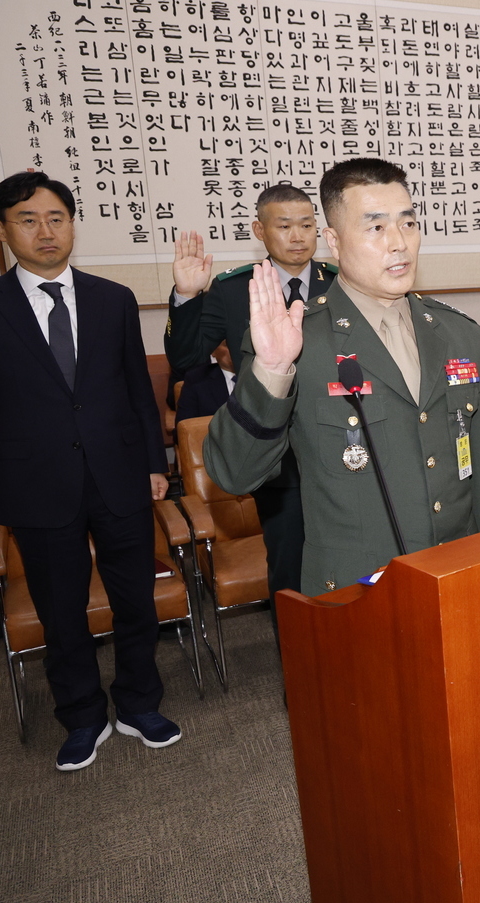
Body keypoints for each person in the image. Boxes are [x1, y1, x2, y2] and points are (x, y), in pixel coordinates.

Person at [204, 158, 480, 594]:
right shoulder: (299, 341)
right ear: (332, 240)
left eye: (408, 224)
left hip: (458, 576)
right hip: (355, 595)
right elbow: (234, 474)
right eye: (376, 228)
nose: (399, 244)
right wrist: (272, 370)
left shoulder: (459, 335)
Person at [0, 171, 178, 770]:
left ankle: (140, 702)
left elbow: (138, 393)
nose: (45, 232)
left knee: (135, 601)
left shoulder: (110, 299)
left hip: (118, 474)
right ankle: (83, 716)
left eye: (56, 219)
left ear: (72, 226)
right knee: (61, 612)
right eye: (28, 220)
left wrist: (154, 464)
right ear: (1, 229)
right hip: (36, 483)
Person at [166, 183, 337, 611]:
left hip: (342, 443)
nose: (298, 236)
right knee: (290, 565)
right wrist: (187, 296)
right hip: (277, 456)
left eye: (306, 225)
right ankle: (298, 668)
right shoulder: (231, 289)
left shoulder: (340, 282)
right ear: (259, 230)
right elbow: (186, 356)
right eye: (284, 226)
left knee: (354, 558)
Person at [174, 341, 235, 423]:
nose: (235, 350)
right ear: (213, 350)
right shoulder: (196, 380)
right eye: (227, 345)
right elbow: (184, 428)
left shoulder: (256, 375)